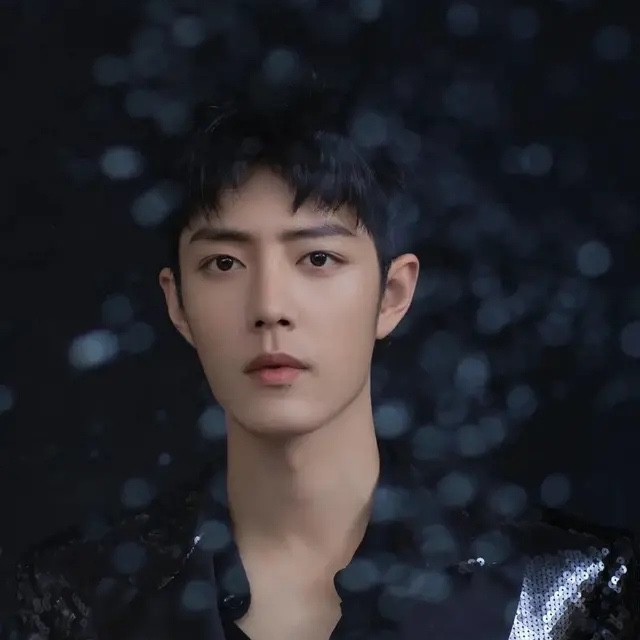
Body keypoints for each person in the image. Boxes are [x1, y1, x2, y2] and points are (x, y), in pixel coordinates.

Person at [7, 77, 639, 640]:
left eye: (317, 258)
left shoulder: (570, 586)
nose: (269, 307)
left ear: (392, 295)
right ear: (177, 303)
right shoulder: (79, 594)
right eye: (224, 263)